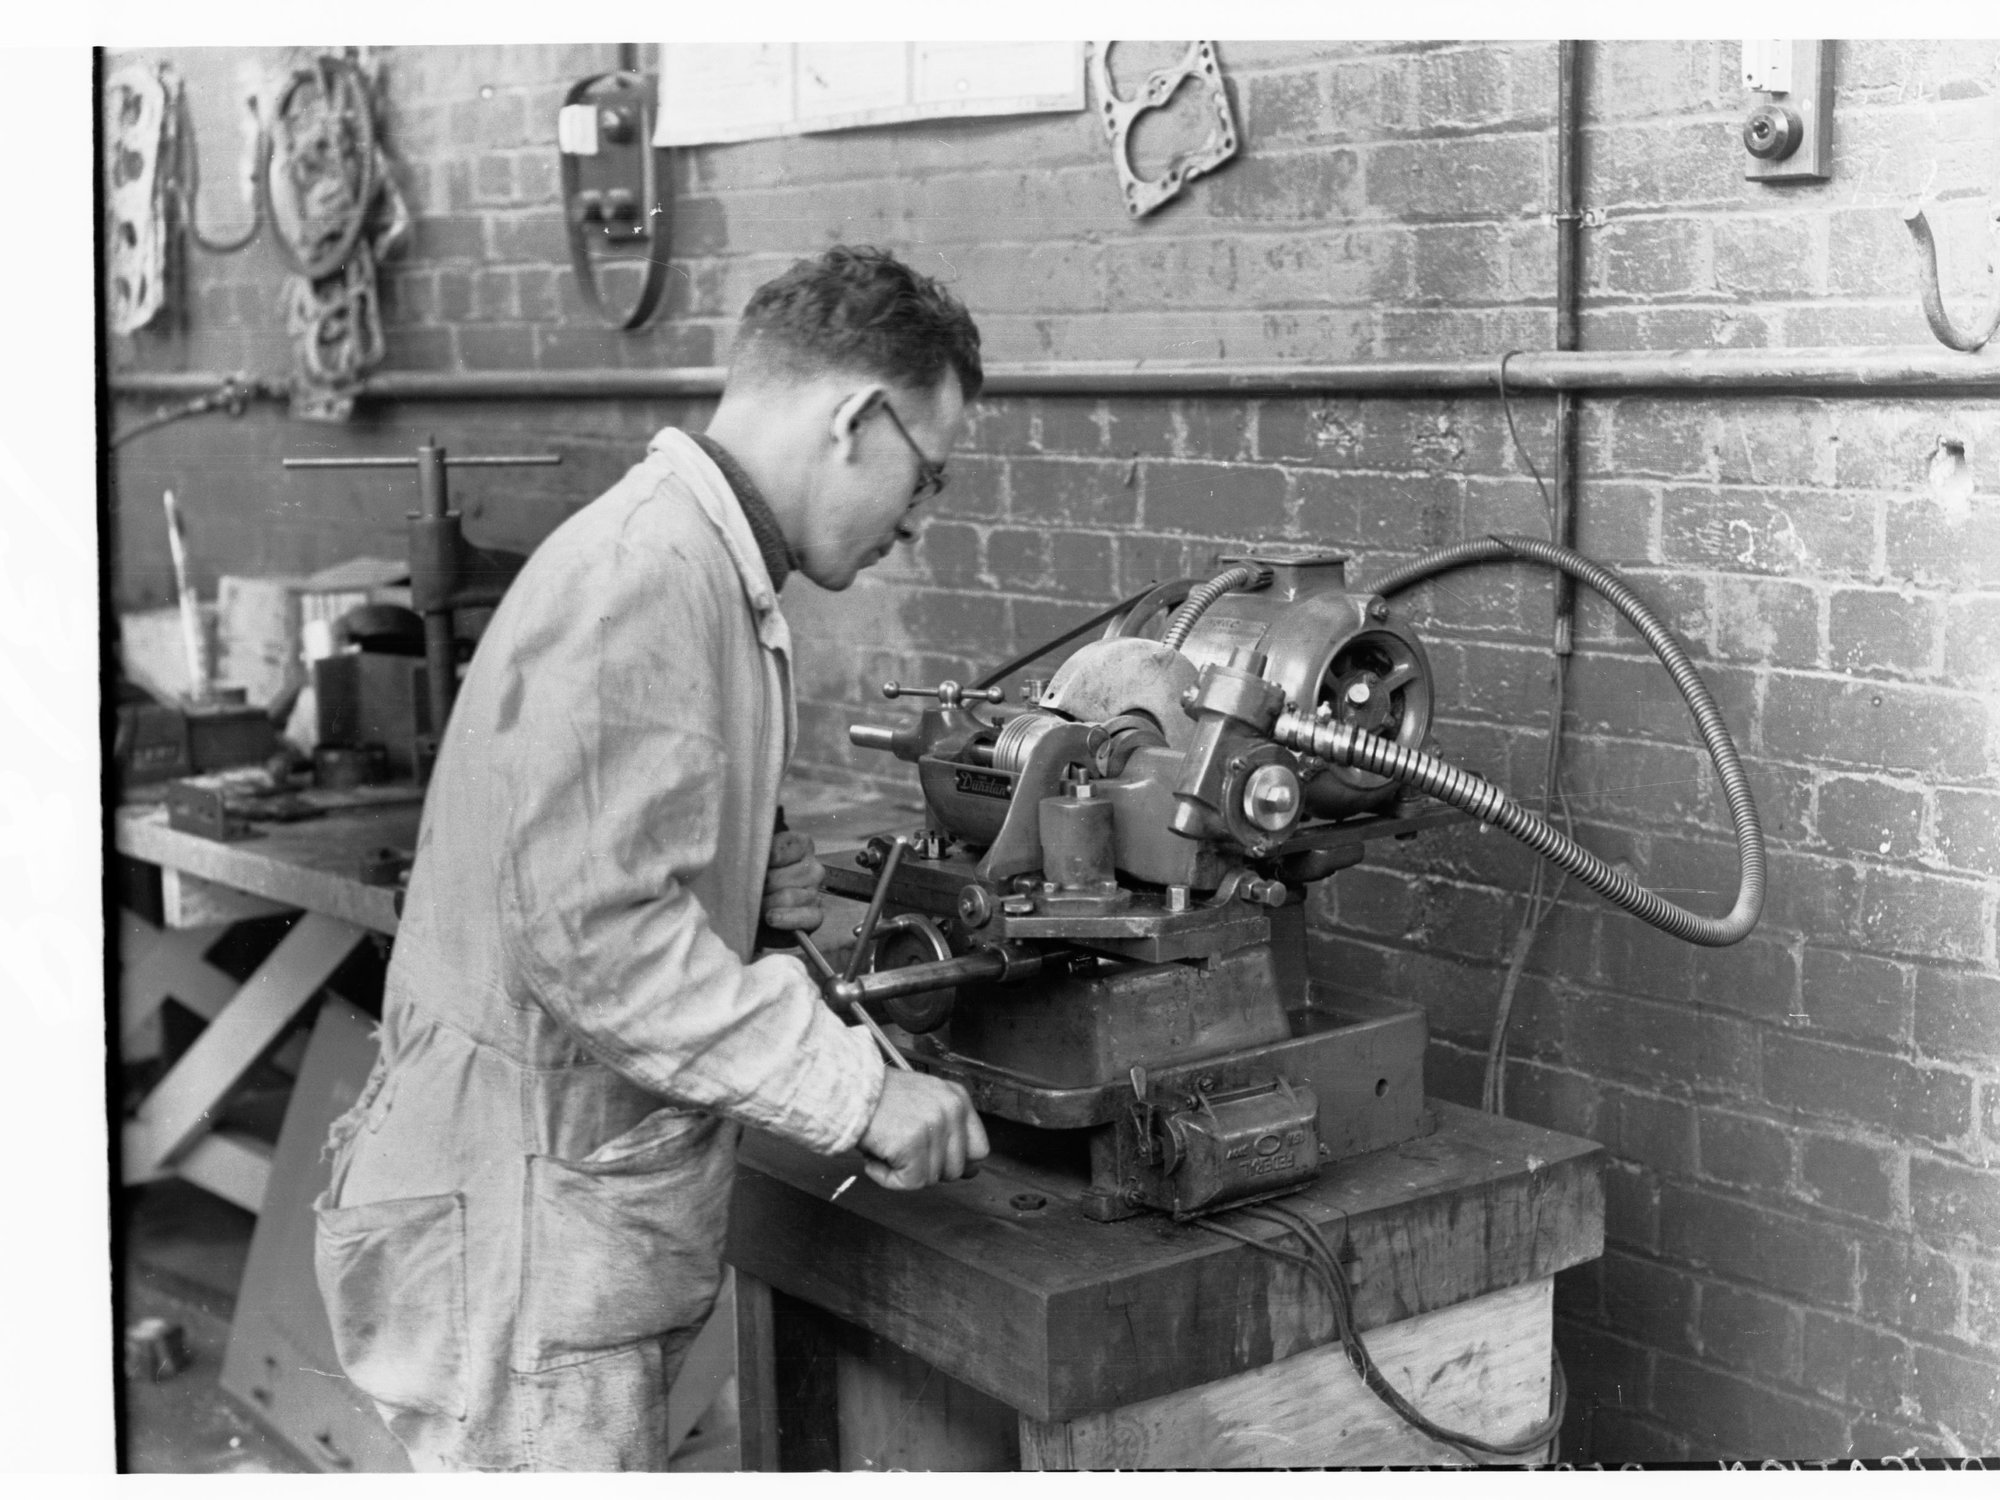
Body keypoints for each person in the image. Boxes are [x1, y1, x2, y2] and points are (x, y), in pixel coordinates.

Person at [313, 246, 991, 1472]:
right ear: (851, 418)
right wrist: (857, 1092)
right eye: (924, 477)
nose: (919, 521)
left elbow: (606, 871)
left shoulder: (701, 564)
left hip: (552, 1202)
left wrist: (736, 889)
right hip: (519, 1238)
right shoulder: (645, 575)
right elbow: (600, 944)